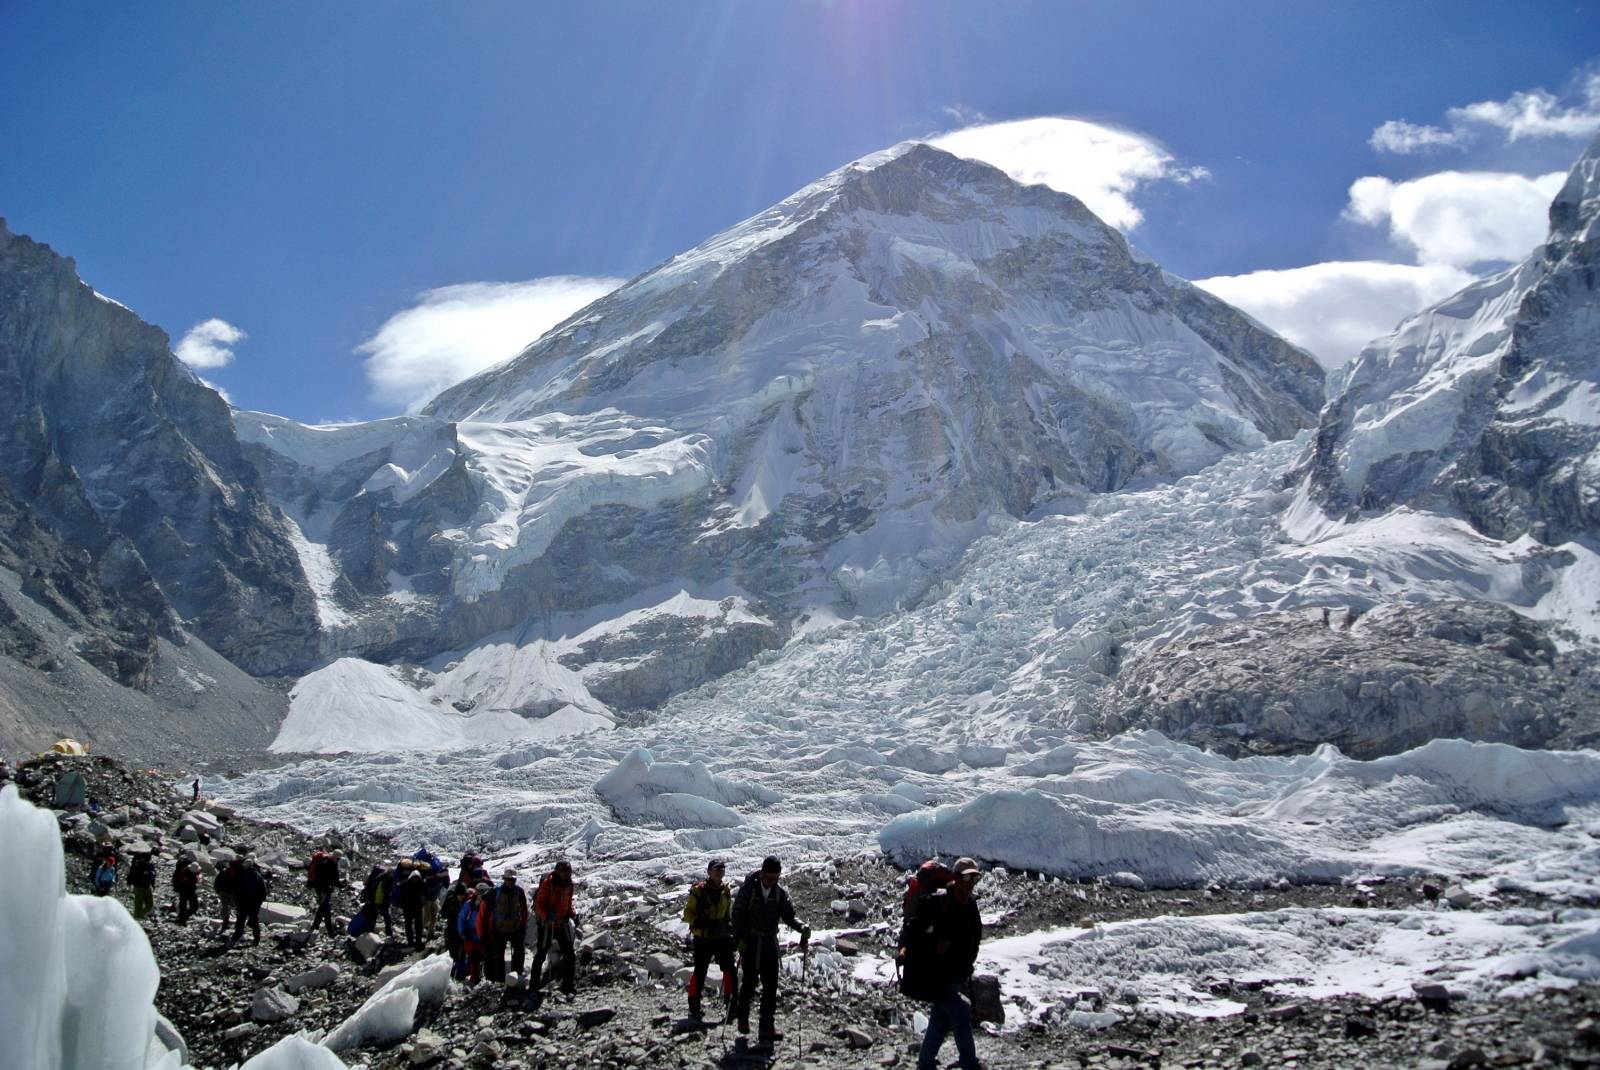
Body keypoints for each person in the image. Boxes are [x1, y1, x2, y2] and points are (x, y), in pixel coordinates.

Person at [902, 857, 984, 1070]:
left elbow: (974, 938)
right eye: (967, 877)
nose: (971, 882)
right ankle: (970, 1064)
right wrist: (933, 944)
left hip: (955, 974)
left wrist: (966, 965)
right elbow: (913, 930)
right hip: (936, 975)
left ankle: (925, 1062)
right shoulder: (938, 902)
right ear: (956, 878)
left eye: (974, 878)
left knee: (940, 1020)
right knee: (960, 1014)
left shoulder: (970, 905)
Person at [731, 856, 810, 1048]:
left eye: (776, 878)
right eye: (770, 877)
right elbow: (737, 915)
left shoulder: (778, 893)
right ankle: (743, 1017)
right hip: (750, 942)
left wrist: (801, 927)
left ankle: (766, 1027)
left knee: (771, 986)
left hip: (769, 944)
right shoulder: (748, 890)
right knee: (749, 981)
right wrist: (739, 939)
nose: (772, 881)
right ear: (763, 874)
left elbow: (789, 915)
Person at [683, 858, 737, 1021]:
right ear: (709, 872)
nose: (719, 872)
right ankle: (694, 1006)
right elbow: (687, 913)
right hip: (704, 936)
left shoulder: (726, 891)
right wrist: (696, 920)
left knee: (729, 970)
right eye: (716, 869)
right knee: (701, 971)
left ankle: (731, 1006)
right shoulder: (698, 891)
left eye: (721, 870)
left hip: (721, 936)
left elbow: (728, 914)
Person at [531, 860, 578, 996]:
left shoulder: (569, 885)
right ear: (558, 871)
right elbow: (539, 905)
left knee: (569, 954)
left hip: (561, 924)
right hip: (548, 925)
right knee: (541, 954)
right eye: (565, 871)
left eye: (568, 870)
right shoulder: (548, 885)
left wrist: (572, 914)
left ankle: (567, 985)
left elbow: (568, 903)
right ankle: (534, 986)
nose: (567, 873)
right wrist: (547, 916)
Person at [481, 868, 530, 983]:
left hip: (515, 928)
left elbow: (524, 909)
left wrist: (523, 925)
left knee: (518, 953)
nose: (511, 882)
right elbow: (486, 904)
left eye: (512, 880)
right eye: (509, 879)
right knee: (498, 955)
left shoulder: (519, 892)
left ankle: (516, 977)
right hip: (499, 929)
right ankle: (499, 980)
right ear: (504, 879)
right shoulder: (496, 891)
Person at [229, 856, 268, 947]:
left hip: (243, 902)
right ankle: (256, 939)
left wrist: (236, 900)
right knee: (254, 920)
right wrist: (259, 902)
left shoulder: (241, 875)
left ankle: (236, 936)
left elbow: (236, 889)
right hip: (254, 903)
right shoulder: (258, 875)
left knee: (241, 919)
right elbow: (263, 890)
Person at [458, 882, 491, 985]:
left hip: (484, 935)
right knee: (473, 958)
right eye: (480, 892)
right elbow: (462, 918)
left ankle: (486, 977)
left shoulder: (490, 904)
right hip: (470, 935)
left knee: (485, 957)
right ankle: (475, 978)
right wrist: (462, 932)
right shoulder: (469, 904)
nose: (481, 894)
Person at [441, 875, 473, 978]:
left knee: (462, 953)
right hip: (452, 931)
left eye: (462, 895)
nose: (461, 897)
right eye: (459, 895)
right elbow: (443, 913)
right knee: (454, 954)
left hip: (463, 931)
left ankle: (460, 974)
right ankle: (453, 973)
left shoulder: (468, 902)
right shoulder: (451, 901)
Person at [306, 848, 341, 937]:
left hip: (319, 888)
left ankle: (315, 926)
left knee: (323, 908)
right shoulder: (332, 865)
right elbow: (334, 879)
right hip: (325, 890)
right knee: (326, 909)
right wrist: (341, 885)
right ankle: (330, 931)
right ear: (337, 858)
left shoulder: (324, 861)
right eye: (339, 859)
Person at [398, 869, 428, 951]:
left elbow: (401, 896)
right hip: (415, 908)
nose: (415, 880)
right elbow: (425, 895)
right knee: (416, 925)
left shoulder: (405, 884)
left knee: (410, 925)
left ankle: (411, 941)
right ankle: (417, 941)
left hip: (409, 908)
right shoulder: (421, 884)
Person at [361, 863, 395, 936]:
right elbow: (382, 892)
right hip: (380, 901)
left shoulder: (380, 878)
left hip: (375, 900)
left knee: (374, 916)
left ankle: (369, 931)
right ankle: (388, 932)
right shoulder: (386, 880)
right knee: (386, 916)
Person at [129, 850, 157, 920]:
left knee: (150, 905)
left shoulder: (150, 865)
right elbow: (134, 875)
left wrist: (153, 884)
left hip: (147, 887)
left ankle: (139, 915)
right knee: (138, 905)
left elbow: (153, 875)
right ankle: (136, 918)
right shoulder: (137, 865)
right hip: (139, 887)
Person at [173, 857, 201, 925]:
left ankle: (182, 918)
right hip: (186, 890)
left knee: (184, 905)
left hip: (186, 890)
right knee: (193, 906)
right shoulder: (185, 873)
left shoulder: (186, 871)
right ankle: (182, 919)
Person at [214, 858, 238, 936]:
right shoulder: (236, 873)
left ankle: (225, 922)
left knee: (225, 908)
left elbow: (217, 882)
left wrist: (218, 891)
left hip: (223, 892)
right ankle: (238, 922)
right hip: (232, 893)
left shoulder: (223, 872)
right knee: (235, 906)